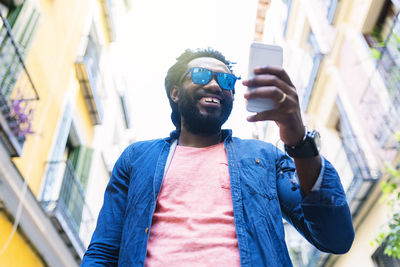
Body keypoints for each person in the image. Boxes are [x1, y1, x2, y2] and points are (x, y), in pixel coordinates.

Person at [81, 48, 354, 266]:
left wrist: (298, 138)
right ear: (175, 93)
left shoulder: (264, 157)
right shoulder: (137, 158)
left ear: (233, 94)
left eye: (225, 81)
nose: (214, 85)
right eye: (200, 75)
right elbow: (103, 252)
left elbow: (335, 237)